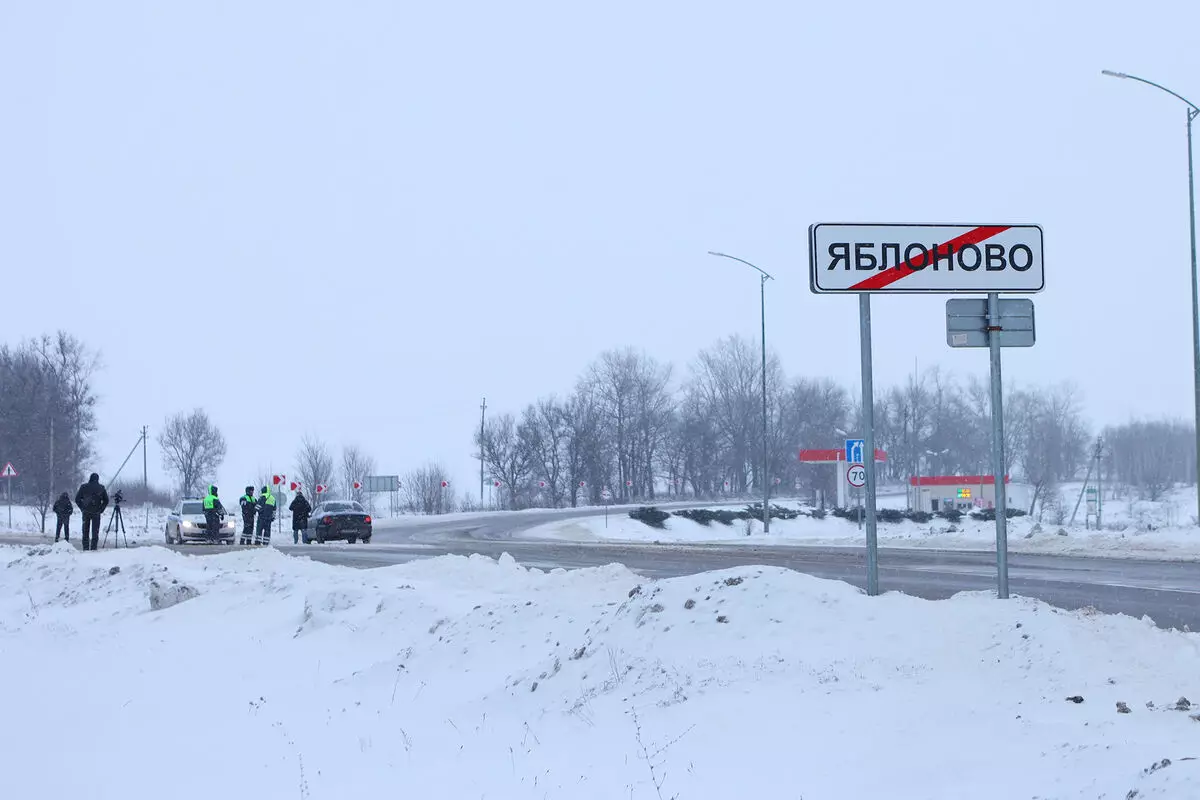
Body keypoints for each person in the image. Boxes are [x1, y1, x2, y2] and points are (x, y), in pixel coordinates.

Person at [74, 473, 109, 551]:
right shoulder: (101, 488)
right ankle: (93, 549)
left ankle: (85, 549)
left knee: (85, 532)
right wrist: (101, 509)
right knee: (95, 532)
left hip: (86, 512)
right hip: (96, 513)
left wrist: (82, 508)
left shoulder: (84, 487)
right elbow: (106, 500)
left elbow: (77, 499)